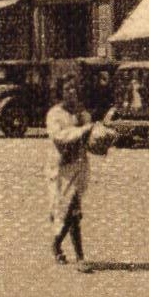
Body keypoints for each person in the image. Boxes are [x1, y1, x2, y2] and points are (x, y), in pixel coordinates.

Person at [45, 74, 95, 271]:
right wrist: (82, 131)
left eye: (74, 89)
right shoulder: (55, 114)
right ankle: (75, 254)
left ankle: (64, 248)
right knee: (69, 209)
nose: (71, 93)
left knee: (73, 210)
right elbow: (60, 136)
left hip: (79, 166)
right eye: (67, 89)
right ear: (60, 93)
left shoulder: (82, 113)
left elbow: (90, 136)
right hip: (61, 168)